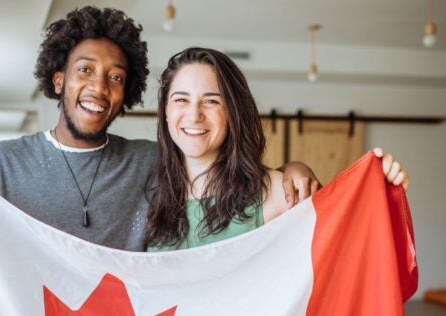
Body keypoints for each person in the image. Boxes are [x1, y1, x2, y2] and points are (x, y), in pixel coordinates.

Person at [0, 7, 321, 251]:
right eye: (85, 70)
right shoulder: (3, 163)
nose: (99, 88)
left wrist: (294, 167)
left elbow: (217, 168)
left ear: (128, 93)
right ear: (58, 79)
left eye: (116, 77)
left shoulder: (150, 162)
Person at [145, 48, 408, 251]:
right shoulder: (144, 190)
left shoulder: (278, 192)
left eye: (211, 101)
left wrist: (382, 191)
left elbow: (352, 242)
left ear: (233, 113)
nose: (194, 114)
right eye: (181, 99)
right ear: (166, 111)